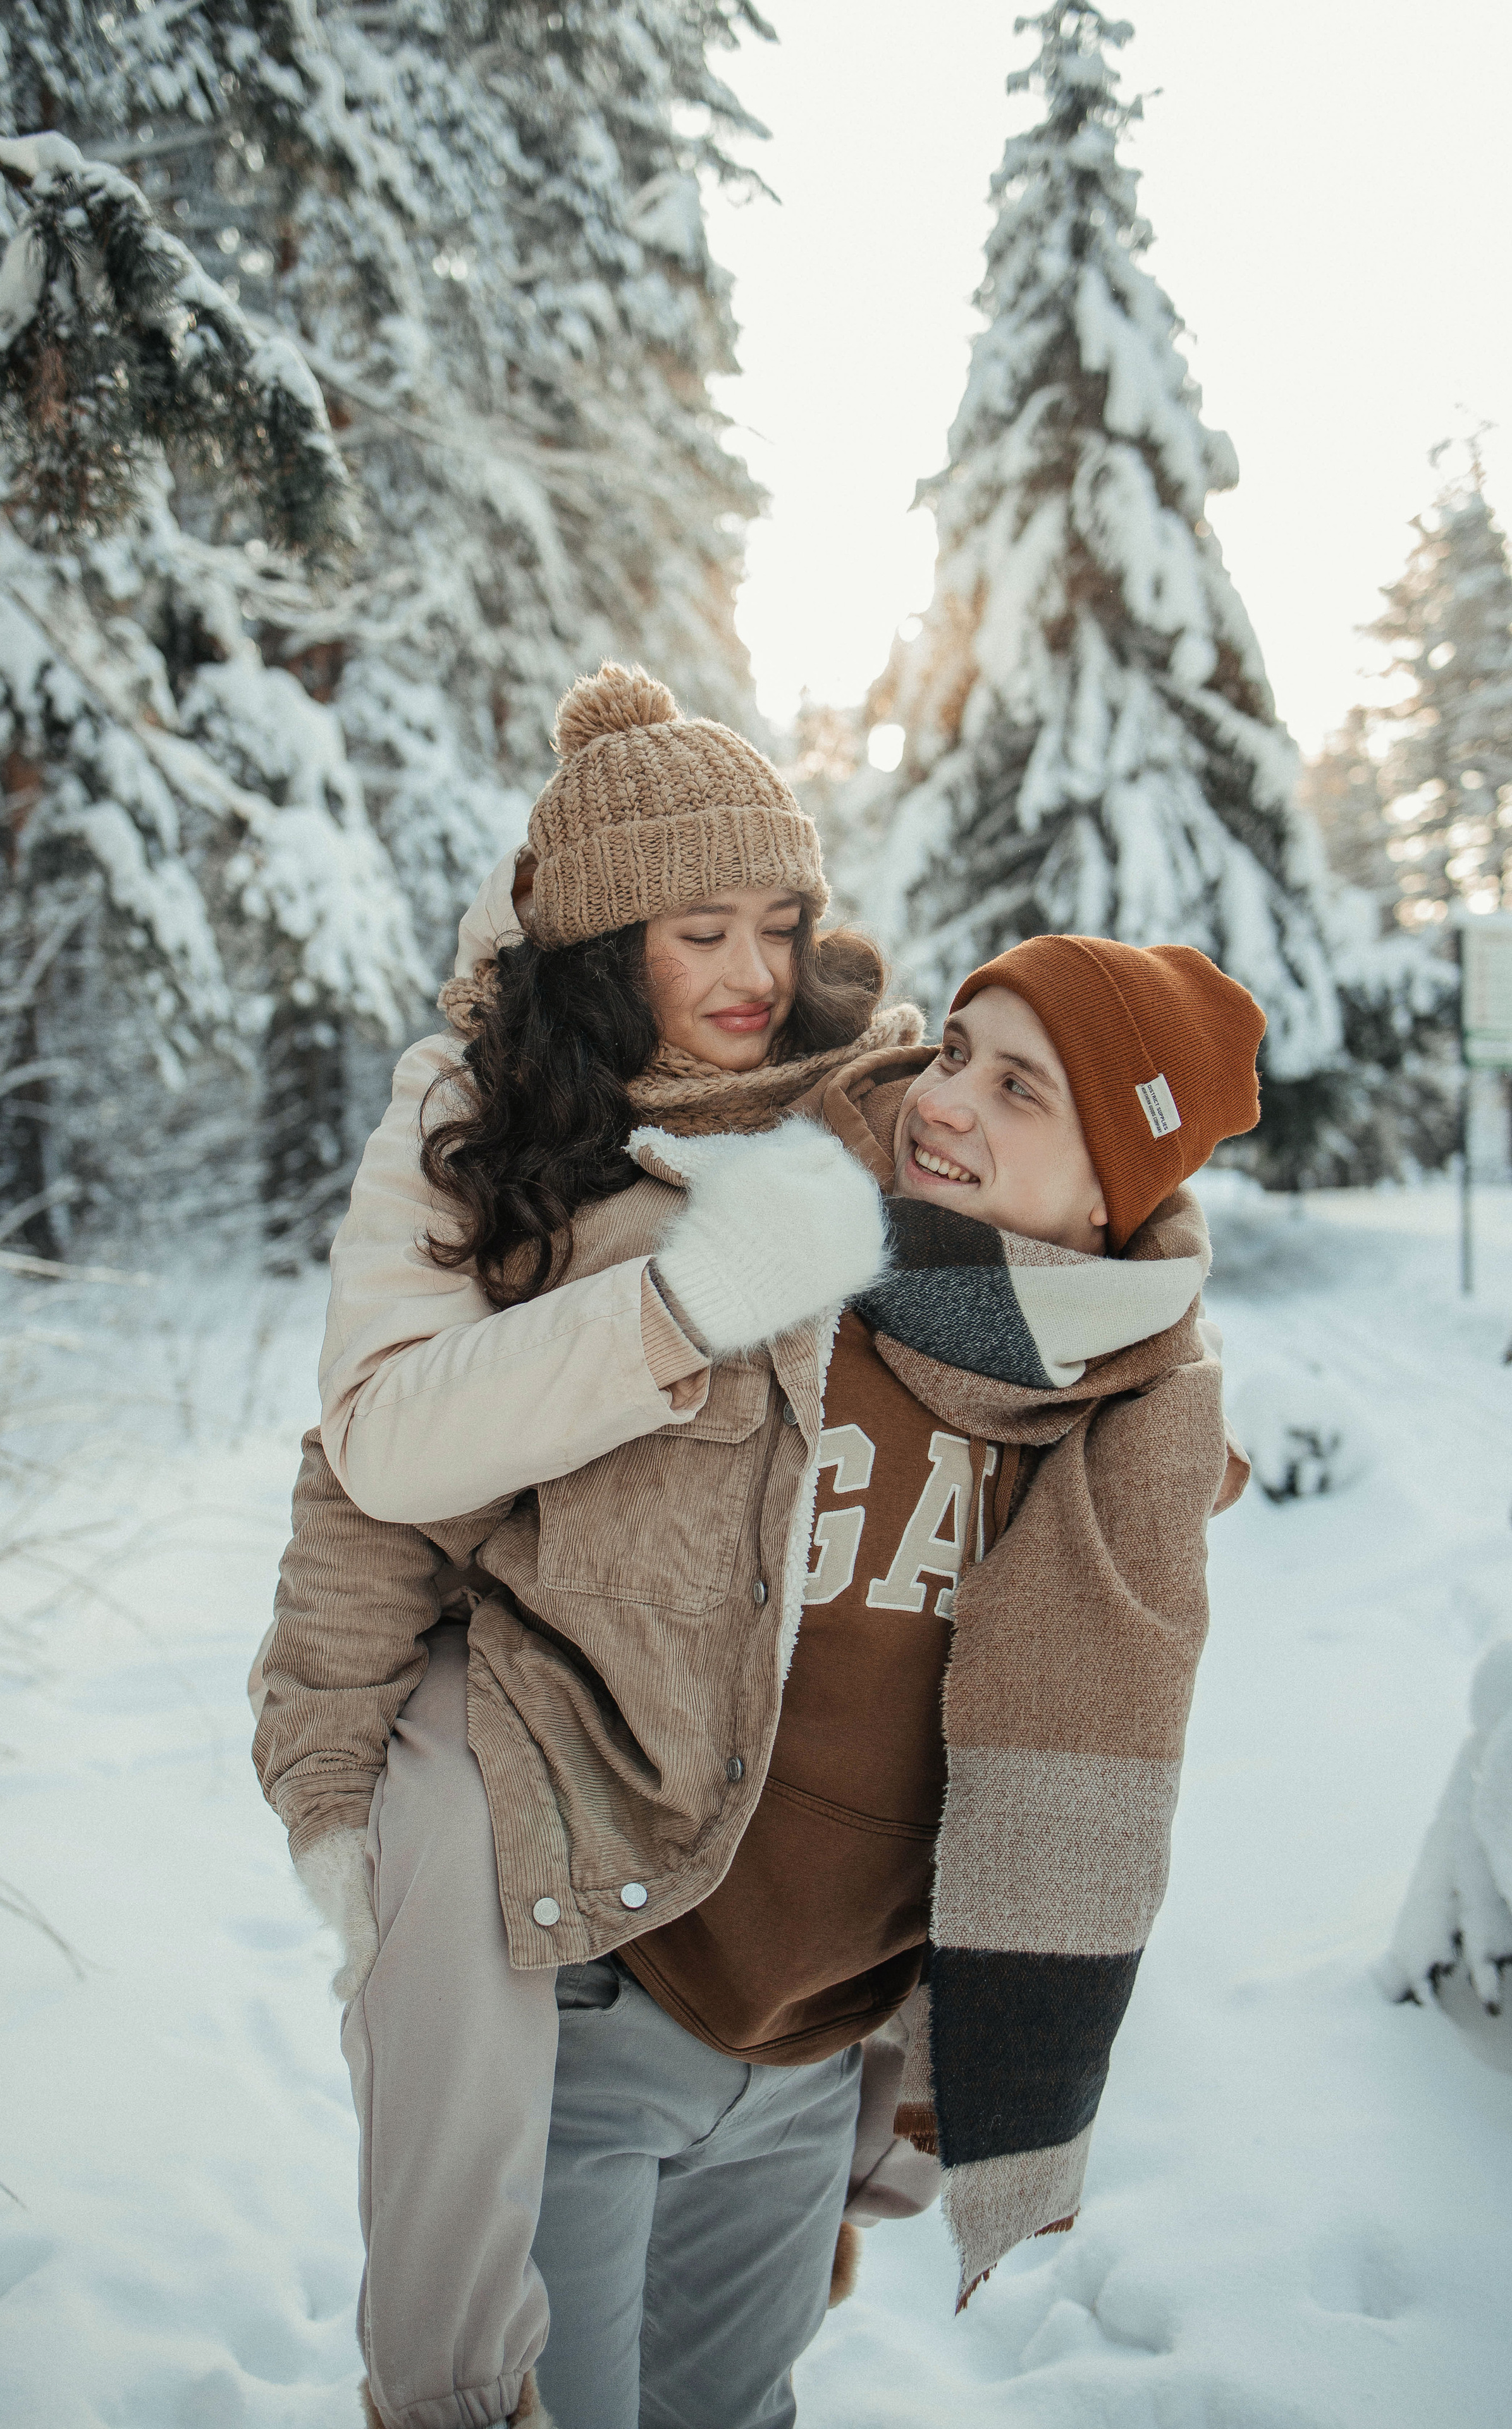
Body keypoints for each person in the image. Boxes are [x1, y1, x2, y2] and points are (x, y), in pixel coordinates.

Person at [251, 664, 1260, 2429]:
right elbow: (377, 1467)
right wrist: (334, 1774)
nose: (943, 1096)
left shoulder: (1102, 1401)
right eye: (955, 1053)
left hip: (809, 2055)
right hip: (601, 1982)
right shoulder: (738, 1200)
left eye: (777, 926)